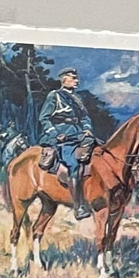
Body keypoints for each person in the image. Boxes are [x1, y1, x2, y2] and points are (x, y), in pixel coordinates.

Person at [37, 66, 95, 219]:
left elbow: (85, 117)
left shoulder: (77, 99)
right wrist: (56, 134)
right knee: (73, 164)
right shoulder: (54, 96)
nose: (77, 81)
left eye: (76, 78)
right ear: (64, 79)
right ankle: (78, 206)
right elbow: (44, 118)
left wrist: (87, 129)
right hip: (62, 137)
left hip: (78, 134)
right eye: (73, 78)